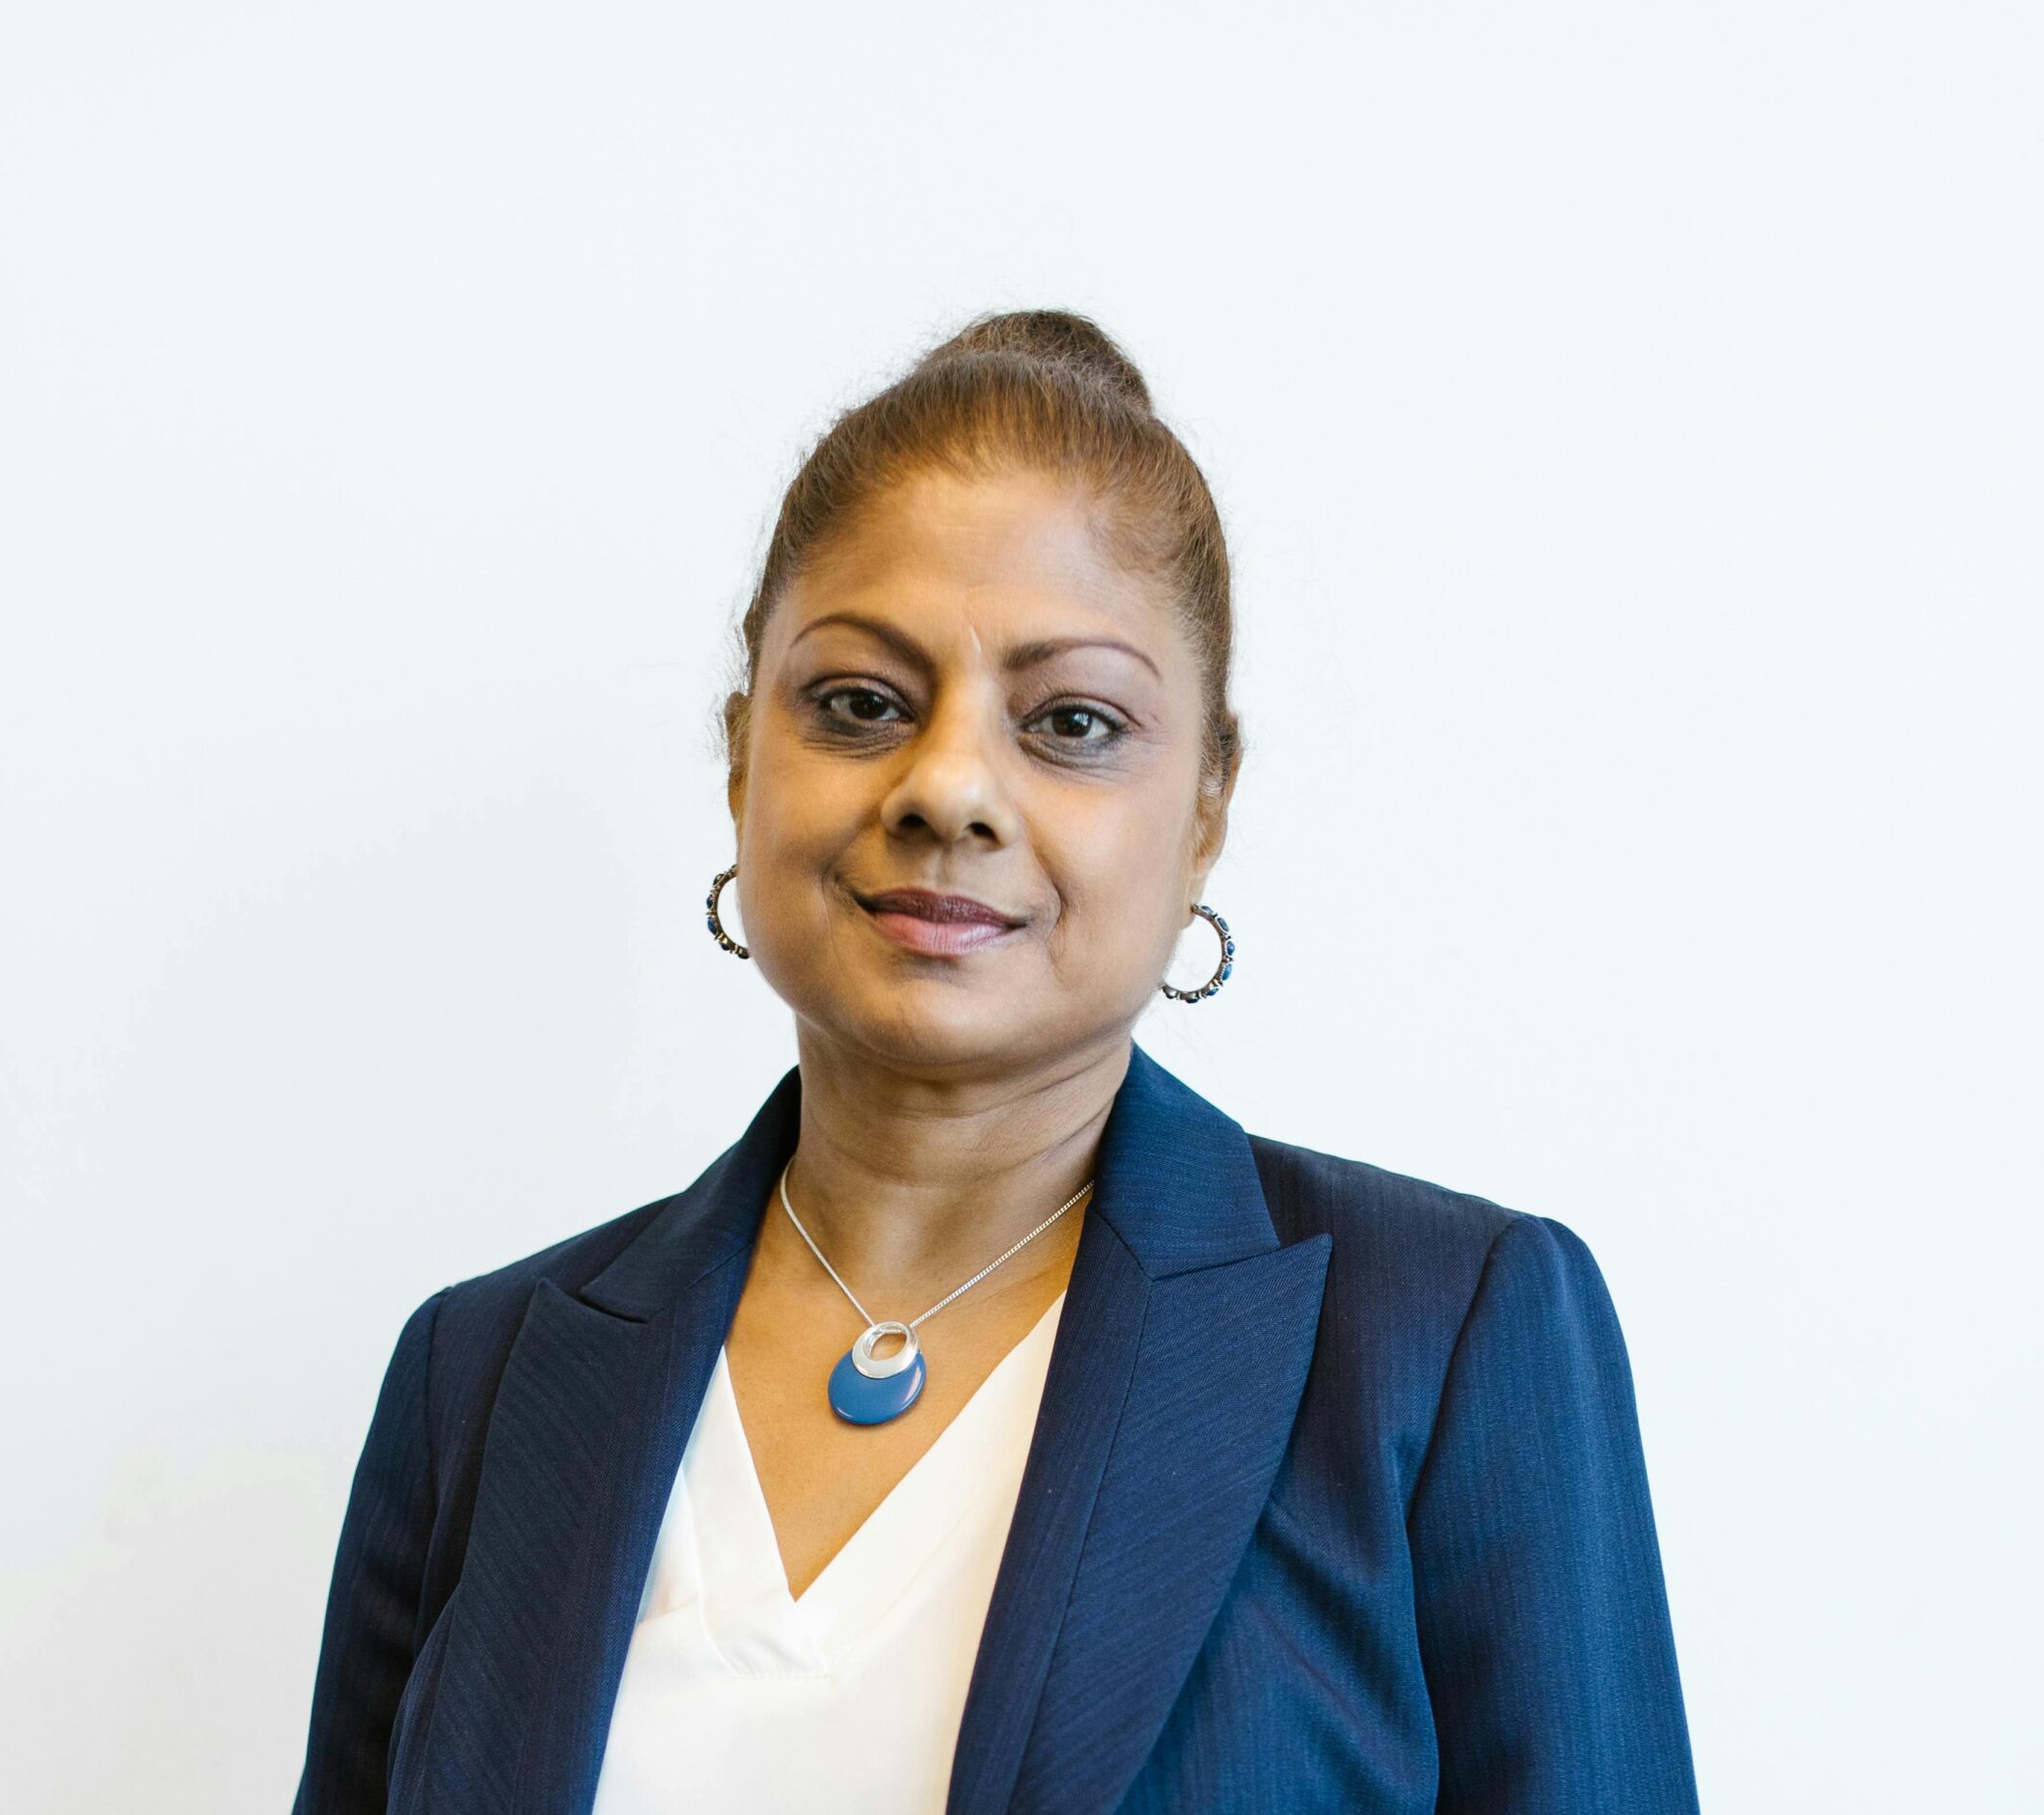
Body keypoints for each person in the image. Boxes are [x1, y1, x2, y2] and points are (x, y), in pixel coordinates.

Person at [288, 311, 1703, 1814]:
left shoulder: (1440, 1336)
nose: (950, 784)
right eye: (859, 703)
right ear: (740, 756)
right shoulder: (486, 1375)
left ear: (1207, 807)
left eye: (1073, 722)